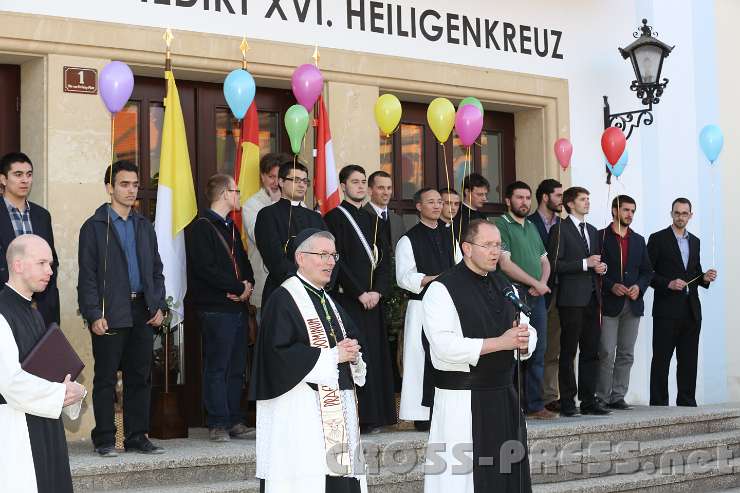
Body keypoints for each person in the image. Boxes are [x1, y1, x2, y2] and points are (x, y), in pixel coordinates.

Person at [250, 228, 368, 492]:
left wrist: (352, 351)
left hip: (335, 406)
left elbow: (347, 343)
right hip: (299, 410)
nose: (330, 262)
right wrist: (334, 355)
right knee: (305, 477)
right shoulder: (284, 299)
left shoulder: (328, 300)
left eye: (333, 255)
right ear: (301, 258)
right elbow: (277, 354)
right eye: (323, 255)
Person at [422, 220, 536, 493]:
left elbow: (526, 326)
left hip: (503, 395)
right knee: (462, 476)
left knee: (506, 474)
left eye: (498, 245)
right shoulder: (442, 288)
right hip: (463, 399)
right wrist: (500, 343)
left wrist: (524, 342)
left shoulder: (503, 283)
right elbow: (443, 346)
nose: (495, 251)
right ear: (467, 248)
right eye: (487, 245)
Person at [77, 160, 167, 456]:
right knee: (105, 378)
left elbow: (156, 270)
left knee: (139, 376)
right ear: (109, 188)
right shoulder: (94, 227)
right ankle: (104, 438)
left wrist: (158, 304)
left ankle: (136, 436)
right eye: (124, 184)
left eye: (135, 185)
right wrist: (92, 313)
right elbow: (87, 276)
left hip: (141, 310)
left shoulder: (144, 225)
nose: (131, 190)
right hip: (109, 311)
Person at [0, 235, 86, 493]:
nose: (50, 271)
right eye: (42, 263)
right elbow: (10, 383)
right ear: (18, 265)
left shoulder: (35, 314)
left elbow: (48, 371)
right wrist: (61, 393)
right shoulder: (2, 314)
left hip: (46, 426)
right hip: (16, 430)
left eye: (50, 264)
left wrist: (72, 392)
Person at [326, 165, 396, 433]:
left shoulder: (374, 220)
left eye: (362, 182)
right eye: (354, 182)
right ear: (343, 186)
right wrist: (360, 293)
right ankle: (357, 417)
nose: (359, 186)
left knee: (376, 358)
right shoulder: (333, 217)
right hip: (350, 301)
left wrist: (378, 291)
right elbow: (337, 262)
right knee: (355, 357)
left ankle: (376, 417)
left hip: (373, 301)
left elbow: (384, 261)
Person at [187, 174, 256, 442]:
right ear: (225, 193)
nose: (239, 195)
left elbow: (243, 261)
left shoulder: (230, 226)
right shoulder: (200, 227)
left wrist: (247, 285)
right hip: (215, 308)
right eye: (236, 191)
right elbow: (205, 269)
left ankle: (235, 419)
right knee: (218, 366)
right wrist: (237, 288)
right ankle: (217, 422)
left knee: (237, 366)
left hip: (237, 308)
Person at [395, 188, 461, 431]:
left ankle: (445, 412)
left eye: (439, 202)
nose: (437, 206)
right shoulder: (408, 239)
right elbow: (404, 277)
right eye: (431, 202)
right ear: (419, 207)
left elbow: (460, 267)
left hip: (448, 307)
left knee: (447, 356)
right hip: (421, 306)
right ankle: (422, 415)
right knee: (420, 360)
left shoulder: (450, 235)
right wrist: (435, 278)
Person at [547, 186, 610, 417]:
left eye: (588, 198)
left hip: (593, 297)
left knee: (591, 351)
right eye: (583, 199)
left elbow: (594, 261)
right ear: (570, 204)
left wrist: (600, 267)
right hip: (571, 299)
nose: (587, 202)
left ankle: (588, 399)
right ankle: (567, 401)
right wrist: (585, 263)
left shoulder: (593, 231)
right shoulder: (559, 229)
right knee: (568, 351)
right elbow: (554, 265)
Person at [648, 198, 717, 406]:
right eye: (677, 213)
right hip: (666, 311)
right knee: (661, 361)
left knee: (688, 361)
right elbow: (646, 273)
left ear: (690, 215)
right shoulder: (657, 239)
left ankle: (687, 403)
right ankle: (658, 405)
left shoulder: (695, 241)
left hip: (691, 311)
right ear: (671, 214)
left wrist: (705, 277)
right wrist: (668, 283)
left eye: (684, 213)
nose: (680, 217)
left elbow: (694, 273)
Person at [495, 181, 555, 420]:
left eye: (527, 198)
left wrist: (541, 284)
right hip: (513, 295)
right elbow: (505, 264)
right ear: (508, 200)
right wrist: (535, 283)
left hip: (536, 296)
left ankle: (535, 404)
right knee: (512, 351)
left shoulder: (531, 226)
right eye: (519, 197)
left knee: (537, 350)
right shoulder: (500, 224)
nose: (524, 202)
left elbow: (545, 261)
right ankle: (510, 406)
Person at [597, 195, 653, 410]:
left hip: (633, 304)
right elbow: (597, 271)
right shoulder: (601, 237)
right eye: (626, 210)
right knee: (606, 351)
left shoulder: (638, 240)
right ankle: (600, 397)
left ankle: (617, 395)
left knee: (626, 353)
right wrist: (611, 285)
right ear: (614, 210)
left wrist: (639, 286)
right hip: (610, 303)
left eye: (632, 211)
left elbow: (647, 271)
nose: (629, 214)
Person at [255, 160, 326, 306]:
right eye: (295, 180)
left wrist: (322, 280)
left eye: (305, 181)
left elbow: (329, 252)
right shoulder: (267, 214)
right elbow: (274, 259)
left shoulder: (315, 217)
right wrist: (307, 282)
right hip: (283, 292)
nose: (301, 185)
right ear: (280, 181)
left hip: (316, 294)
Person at [0, 152, 60, 326]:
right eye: (18, 175)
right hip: (5, 306)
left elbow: (52, 261)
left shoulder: (42, 215)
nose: (25, 180)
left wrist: (38, 297)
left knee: (44, 353)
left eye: (29, 174)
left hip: (41, 307)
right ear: (3, 179)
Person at [242, 152, 290, 322]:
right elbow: (263, 239)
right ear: (262, 177)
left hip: (295, 286)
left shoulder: (298, 202)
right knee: (267, 342)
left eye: (280, 177)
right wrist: (276, 206)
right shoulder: (251, 205)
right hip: (266, 286)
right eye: (271, 176)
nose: (276, 182)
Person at [528, 179, 562, 413]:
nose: (562, 199)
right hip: (533, 292)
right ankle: (531, 398)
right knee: (533, 347)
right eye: (558, 195)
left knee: (553, 348)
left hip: (559, 291)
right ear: (545, 197)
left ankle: (549, 395)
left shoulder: (563, 223)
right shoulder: (529, 223)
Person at [364, 170, 405, 252]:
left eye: (389, 188)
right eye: (381, 188)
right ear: (370, 191)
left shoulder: (397, 220)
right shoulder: (360, 216)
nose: (386, 192)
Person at [453, 173, 489, 242]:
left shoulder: (483, 217)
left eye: (485, 194)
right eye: (480, 194)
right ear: (467, 192)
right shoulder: (455, 212)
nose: (484, 198)